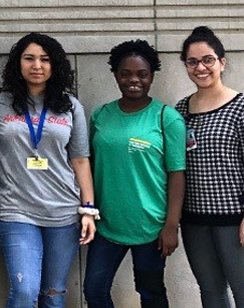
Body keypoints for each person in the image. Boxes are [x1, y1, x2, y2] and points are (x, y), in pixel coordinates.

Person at [0, 33, 96, 308]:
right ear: (18, 64)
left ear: (55, 66)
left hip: (63, 211)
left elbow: (80, 159)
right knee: (24, 292)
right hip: (15, 210)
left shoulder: (70, 106)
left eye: (45, 59)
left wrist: (88, 209)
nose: (37, 65)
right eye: (29, 58)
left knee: (54, 296)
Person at [83, 39, 186, 308]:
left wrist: (170, 226)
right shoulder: (101, 115)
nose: (134, 80)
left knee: (150, 293)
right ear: (115, 74)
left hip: (151, 227)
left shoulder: (167, 118)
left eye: (142, 74)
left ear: (152, 76)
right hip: (106, 225)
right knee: (94, 291)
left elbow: (177, 175)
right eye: (125, 73)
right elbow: (89, 165)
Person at [175, 26, 244, 308]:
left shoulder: (243, 107)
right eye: (192, 62)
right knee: (211, 291)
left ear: (221, 62)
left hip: (235, 219)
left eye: (208, 60)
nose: (200, 68)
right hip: (195, 220)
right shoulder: (180, 110)